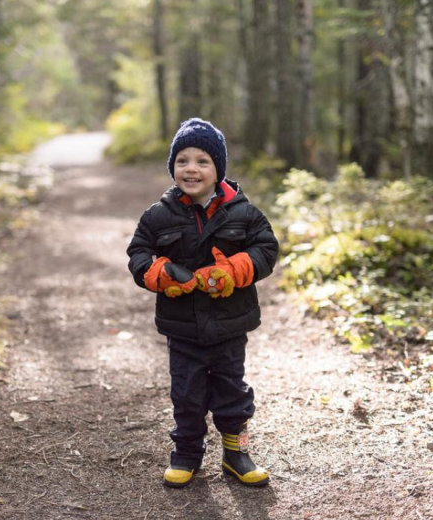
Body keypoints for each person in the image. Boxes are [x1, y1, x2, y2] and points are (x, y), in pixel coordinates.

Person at [126, 118, 279, 488]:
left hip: (230, 322)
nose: (191, 169)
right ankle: (186, 453)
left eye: (202, 161)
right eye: (182, 160)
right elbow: (139, 254)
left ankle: (236, 452)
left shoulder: (243, 212)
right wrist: (160, 274)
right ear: (173, 168)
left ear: (218, 169)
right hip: (183, 326)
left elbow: (266, 249)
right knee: (187, 393)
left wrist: (235, 269)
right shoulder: (158, 215)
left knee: (232, 390)